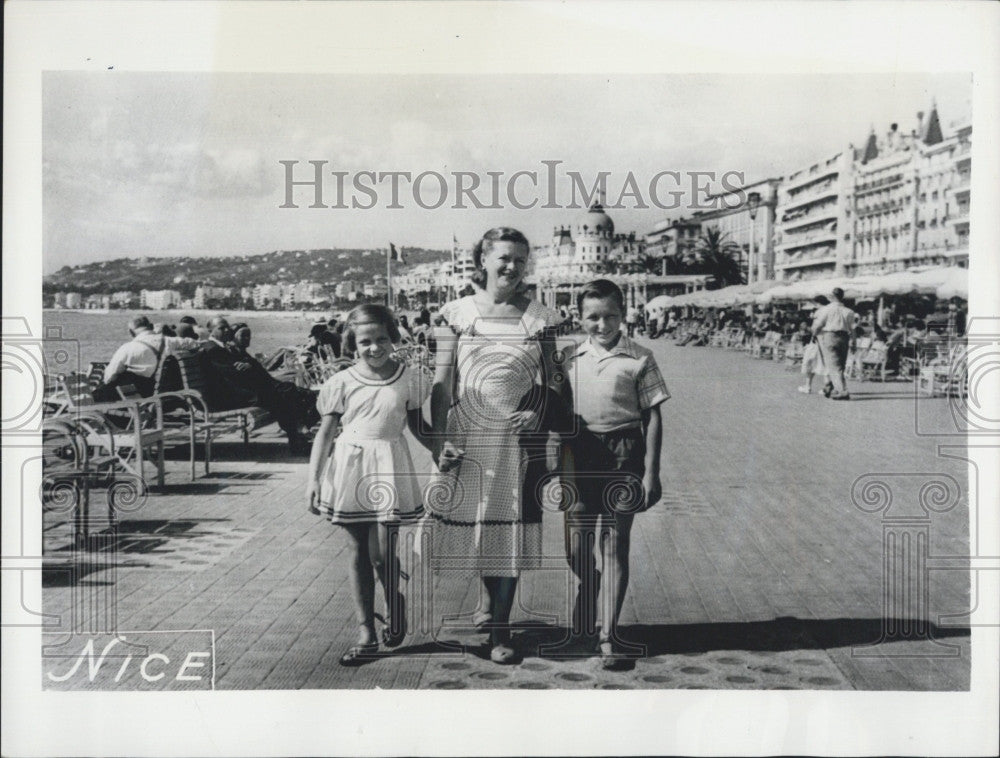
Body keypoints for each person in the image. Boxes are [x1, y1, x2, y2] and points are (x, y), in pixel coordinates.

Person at [424, 227, 564, 665]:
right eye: (504, 257)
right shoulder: (456, 313)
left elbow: (554, 381)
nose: (512, 266)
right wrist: (437, 443)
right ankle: (490, 608)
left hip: (515, 440)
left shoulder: (541, 316)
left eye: (521, 260)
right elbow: (442, 385)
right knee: (481, 528)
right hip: (467, 434)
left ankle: (501, 630)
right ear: (482, 259)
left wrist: (540, 412)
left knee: (510, 529)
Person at [305, 304, 431, 666]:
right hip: (349, 467)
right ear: (352, 343)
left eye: (381, 340)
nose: (374, 348)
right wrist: (313, 480)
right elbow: (326, 434)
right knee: (357, 550)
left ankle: (395, 602)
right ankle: (366, 632)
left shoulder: (410, 377)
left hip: (389, 465)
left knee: (382, 554)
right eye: (365, 342)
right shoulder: (340, 382)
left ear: (393, 339)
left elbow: (417, 426)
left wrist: (442, 450)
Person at [560, 279, 667, 669]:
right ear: (580, 317)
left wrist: (651, 472)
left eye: (610, 316)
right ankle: (590, 584)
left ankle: (608, 634)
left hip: (624, 453)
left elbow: (653, 415)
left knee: (614, 544)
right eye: (593, 317)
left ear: (623, 315)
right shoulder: (569, 358)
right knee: (575, 545)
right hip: (579, 454)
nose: (602, 325)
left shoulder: (639, 357)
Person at [199, 316, 316, 453]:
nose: (226, 330)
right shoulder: (212, 349)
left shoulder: (220, 348)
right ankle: (297, 436)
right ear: (210, 331)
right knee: (281, 396)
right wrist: (246, 368)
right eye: (221, 328)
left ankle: (297, 436)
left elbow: (235, 371)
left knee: (285, 395)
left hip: (235, 392)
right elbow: (231, 372)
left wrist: (246, 367)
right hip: (227, 398)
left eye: (227, 327)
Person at [94, 315, 199, 401]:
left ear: (131, 332)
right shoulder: (170, 341)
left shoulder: (127, 348)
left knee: (98, 393)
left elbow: (109, 377)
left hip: (139, 395)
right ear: (151, 326)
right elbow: (195, 344)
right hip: (162, 392)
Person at [812, 287, 857, 400]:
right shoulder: (849, 311)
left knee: (833, 365)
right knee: (840, 365)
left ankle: (843, 392)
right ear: (843, 297)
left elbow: (818, 325)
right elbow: (853, 329)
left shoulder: (826, 309)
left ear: (832, 296)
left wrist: (814, 334)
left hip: (830, 336)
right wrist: (854, 342)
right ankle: (831, 387)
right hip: (844, 338)